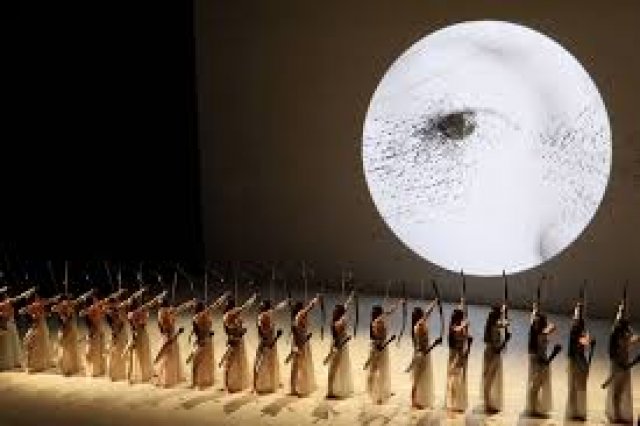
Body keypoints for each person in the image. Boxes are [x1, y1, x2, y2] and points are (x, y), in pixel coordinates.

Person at [605, 298, 639, 424]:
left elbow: (632, 339)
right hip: (618, 362)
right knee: (616, 389)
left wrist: (634, 338)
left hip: (625, 361)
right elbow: (611, 349)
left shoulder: (627, 329)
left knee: (623, 388)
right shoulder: (615, 330)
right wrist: (617, 362)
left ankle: (620, 413)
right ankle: (615, 414)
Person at [526, 303, 561, 418]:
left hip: (539, 360)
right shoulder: (539, 335)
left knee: (537, 385)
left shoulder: (538, 333)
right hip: (540, 362)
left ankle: (535, 407)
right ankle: (533, 409)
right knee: (535, 386)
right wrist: (554, 353)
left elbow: (552, 327)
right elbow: (543, 360)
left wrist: (535, 310)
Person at [188, 291, 229, 389]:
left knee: (197, 362)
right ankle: (202, 380)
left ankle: (195, 382)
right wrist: (223, 297)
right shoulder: (205, 315)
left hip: (203, 341)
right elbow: (215, 305)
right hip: (208, 341)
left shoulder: (198, 316)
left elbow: (197, 329)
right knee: (204, 360)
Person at [365, 298, 403, 404]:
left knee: (380, 369)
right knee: (376, 370)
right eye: (381, 312)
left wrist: (398, 304)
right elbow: (378, 338)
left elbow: (388, 312)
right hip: (378, 347)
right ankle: (375, 393)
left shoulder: (377, 321)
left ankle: (381, 390)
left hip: (380, 347)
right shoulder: (377, 322)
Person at [153, 297, 195, 388]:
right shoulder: (164, 312)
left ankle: (168, 377)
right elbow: (165, 325)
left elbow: (179, 308)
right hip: (169, 335)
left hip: (169, 334)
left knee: (169, 356)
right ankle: (166, 378)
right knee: (168, 357)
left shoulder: (164, 311)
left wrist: (189, 303)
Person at [126, 290, 166, 383]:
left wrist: (141, 292)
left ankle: (140, 373)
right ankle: (143, 374)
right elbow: (150, 304)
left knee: (139, 354)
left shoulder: (130, 314)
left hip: (136, 334)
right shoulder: (136, 312)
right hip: (141, 334)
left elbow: (148, 305)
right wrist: (160, 296)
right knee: (143, 353)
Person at [221, 293, 257, 393]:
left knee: (237, 361)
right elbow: (228, 329)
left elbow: (236, 327)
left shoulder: (233, 316)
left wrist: (241, 331)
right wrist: (252, 298)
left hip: (238, 341)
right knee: (230, 362)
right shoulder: (228, 315)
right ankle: (227, 385)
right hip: (234, 341)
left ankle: (237, 383)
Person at [408, 298, 440, 409]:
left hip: (420, 354)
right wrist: (435, 343)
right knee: (418, 378)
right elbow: (424, 349)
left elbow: (427, 313)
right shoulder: (420, 326)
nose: (424, 315)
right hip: (422, 354)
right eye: (422, 314)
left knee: (419, 378)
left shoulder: (416, 325)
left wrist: (434, 302)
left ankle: (417, 400)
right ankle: (414, 402)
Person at [51, 291, 92, 376]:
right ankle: (65, 367)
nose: (65, 303)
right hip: (64, 330)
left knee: (72, 348)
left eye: (66, 301)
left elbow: (80, 299)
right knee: (64, 348)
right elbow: (53, 309)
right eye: (63, 301)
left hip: (71, 330)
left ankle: (72, 367)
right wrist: (61, 307)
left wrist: (88, 293)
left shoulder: (71, 305)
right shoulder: (60, 307)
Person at [565, 301, 595, 421]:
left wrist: (589, 341)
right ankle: (573, 411)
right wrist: (589, 342)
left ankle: (578, 411)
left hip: (580, 360)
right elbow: (580, 341)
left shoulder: (581, 329)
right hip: (575, 360)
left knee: (580, 387)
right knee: (574, 387)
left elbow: (584, 340)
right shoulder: (575, 329)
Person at [253, 298, 288, 394]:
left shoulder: (264, 315)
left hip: (267, 342)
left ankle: (259, 385)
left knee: (262, 363)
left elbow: (277, 308)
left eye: (262, 305)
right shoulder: (266, 315)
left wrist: (285, 302)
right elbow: (277, 308)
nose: (260, 306)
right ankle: (258, 385)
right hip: (268, 342)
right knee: (265, 363)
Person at [105, 288, 140, 381]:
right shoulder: (109, 311)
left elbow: (126, 304)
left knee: (121, 351)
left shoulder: (118, 309)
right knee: (115, 353)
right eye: (115, 302)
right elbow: (116, 319)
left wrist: (125, 297)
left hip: (122, 332)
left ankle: (122, 372)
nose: (117, 303)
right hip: (116, 332)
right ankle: (114, 373)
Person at [326, 292, 356, 399]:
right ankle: (329, 391)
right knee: (333, 368)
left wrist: (350, 298)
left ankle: (336, 388)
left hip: (341, 345)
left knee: (339, 366)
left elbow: (345, 307)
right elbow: (338, 334)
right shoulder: (338, 323)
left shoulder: (339, 319)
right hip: (338, 345)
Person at [290, 295, 321, 397]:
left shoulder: (298, 317)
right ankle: (295, 388)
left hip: (302, 341)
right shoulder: (300, 315)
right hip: (300, 342)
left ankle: (298, 386)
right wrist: (315, 300)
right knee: (298, 364)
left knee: (299, 364)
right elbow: (309, 308)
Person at [20, 292, 60, 373]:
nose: (38, 299)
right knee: (34, 342)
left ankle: (37, 363)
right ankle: (35, 363)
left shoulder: (36, 305)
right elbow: (22, 311)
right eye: (37, 297)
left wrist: (40, 313)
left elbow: (22, 311)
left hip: (41, 325)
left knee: (39, 343)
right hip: (38, 325)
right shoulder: (35, 305)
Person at [481, 304, 510, 413]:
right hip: (493, 354)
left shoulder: (492, 325)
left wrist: (504, 311)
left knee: (489, 378)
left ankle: (488, 402)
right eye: (499, 315)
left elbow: (504, 323)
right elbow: (497, 349)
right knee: (489, 379)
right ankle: (487, 404)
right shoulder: (494, 328)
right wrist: (506, 340)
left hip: (489, 353)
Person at [446, 300, 472, 413]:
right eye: (461, 317)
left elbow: (466, 339)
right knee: (453, 378)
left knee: (460, 379)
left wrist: (469, 345)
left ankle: (457, 402)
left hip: (462, 355)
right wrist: (464, 324)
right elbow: (457, 330)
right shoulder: (454, 327)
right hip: (455, 355)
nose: (462, 319)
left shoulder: (461, 327)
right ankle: (452, 403)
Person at [0, 287, 34, 370]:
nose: (7, 296)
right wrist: (28, 292)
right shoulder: (5, 303)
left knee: (11, 342)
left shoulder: (3, 304)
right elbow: (18, 298)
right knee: (9, 342)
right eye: (6, 294)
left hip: (10, 324)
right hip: (8, 324)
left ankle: (13, 361)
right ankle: (11, 362)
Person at [80, 293, 108, 377]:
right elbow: (82, 313)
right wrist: (94, 307)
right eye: (95, 301)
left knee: (99, 351)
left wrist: (103, 306)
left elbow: (104, 312)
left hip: (99, 331)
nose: (97, 302)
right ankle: (93, 370)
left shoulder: (99, 309)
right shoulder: (90, 310)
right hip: (92, 332)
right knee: (91, 351)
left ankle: (100, 370)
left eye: (96, 300)